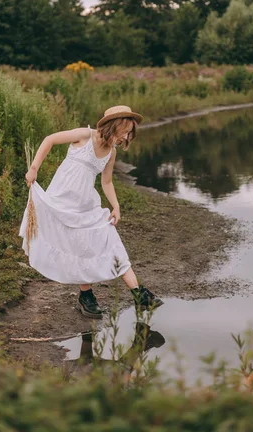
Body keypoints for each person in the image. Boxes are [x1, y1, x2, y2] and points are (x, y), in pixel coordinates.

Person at [20, 105, 163, 319]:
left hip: (87, 204)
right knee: (78, 247)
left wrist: (116, 206)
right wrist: (34, 168)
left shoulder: (111, 153)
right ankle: (86, 297)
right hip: (62, 202)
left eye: (129, 134)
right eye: (125, 131)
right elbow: (49, 139)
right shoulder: (84, 136)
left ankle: (138, 293)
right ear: (114, 125)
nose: (125, 137)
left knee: (110, 237)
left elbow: (106, 182)